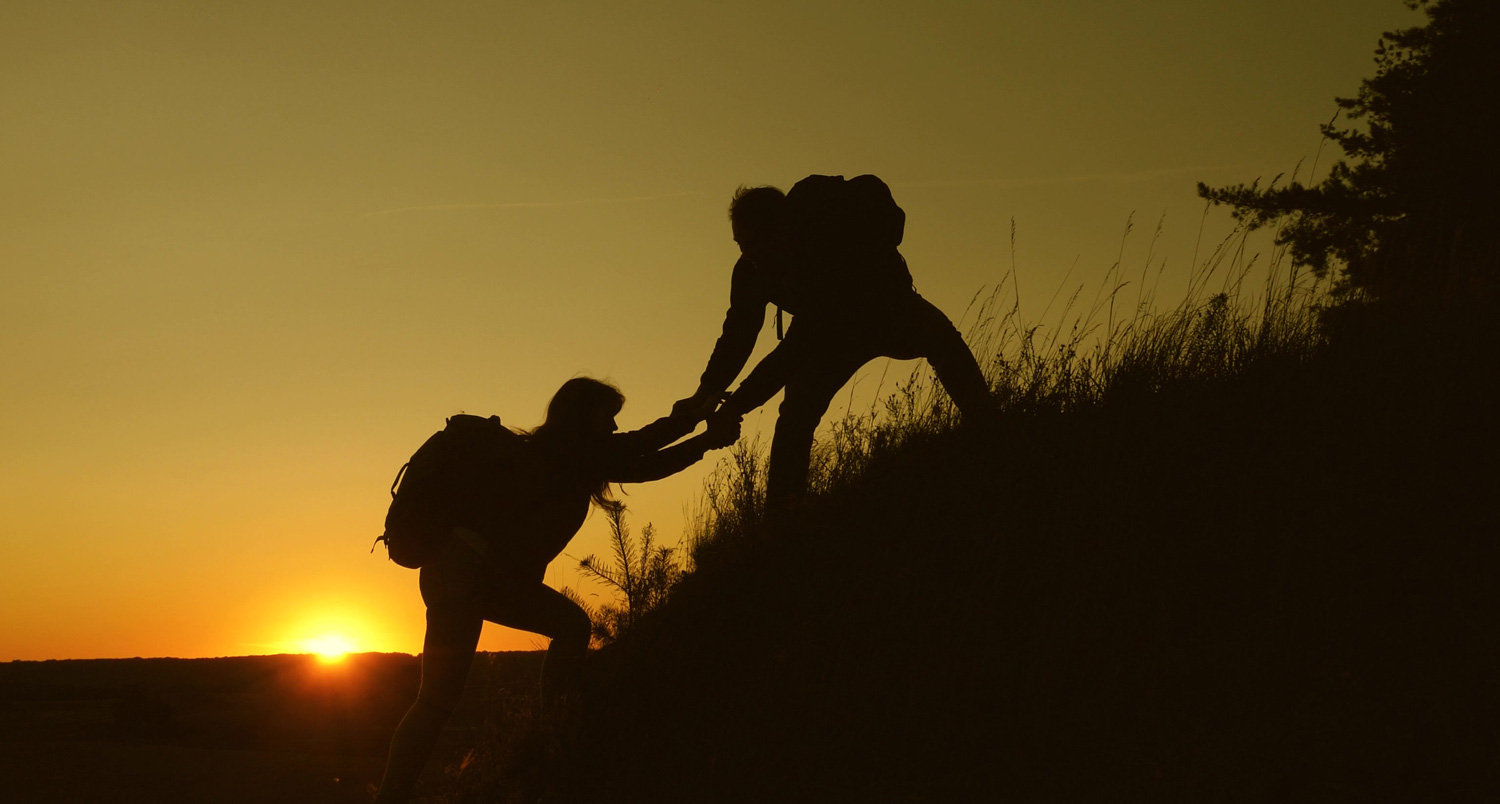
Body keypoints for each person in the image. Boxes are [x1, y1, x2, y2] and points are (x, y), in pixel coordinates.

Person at [373, 378, 740, 804]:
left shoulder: (559, 454)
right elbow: (640, 460)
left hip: (461, 572)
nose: (616, 427)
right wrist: (702, 432)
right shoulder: (568, 454)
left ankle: (548, 734)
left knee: (451, 692)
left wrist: (694, 419)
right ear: (583, 418)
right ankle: (550, 735)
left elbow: (635, 450)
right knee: (440, 698)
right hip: (465, 571)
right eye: (609, 417)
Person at [672, 176, 991, 507]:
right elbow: (738, 335)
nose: (747, 253)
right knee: (796, 414)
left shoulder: (821, 250)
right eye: (740, 243)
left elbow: (793, 352)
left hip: (885, 307)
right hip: (832, 336)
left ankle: (991, 429)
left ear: (780, 230)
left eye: (753, 242)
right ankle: (783, 515)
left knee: (943, 343)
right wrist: (704, 394)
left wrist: (735, 407)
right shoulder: (751, 271)